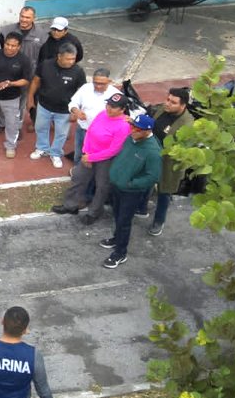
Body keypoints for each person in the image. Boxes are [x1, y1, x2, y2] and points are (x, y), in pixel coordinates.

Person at [51, 92, 132, 224]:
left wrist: (91, 157)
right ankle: (70, 205)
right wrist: (85, 153)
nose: (109, 108)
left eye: (114, 107)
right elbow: (90, 132)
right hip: (89, 154)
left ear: (122, 109)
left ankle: (94, 212)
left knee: (102, 186)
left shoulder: (123, 126)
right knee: (78, 178)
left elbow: (114, 150)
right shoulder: (102, 114)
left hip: (106, 160)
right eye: (109, 104)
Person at [101, 114, 163, 268]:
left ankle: (120, 254)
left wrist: (131, 183)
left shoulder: (153, 151)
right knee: (117, 215)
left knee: (124, 221)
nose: (133, 130)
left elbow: (152, 176)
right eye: (132, 126)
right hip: (117, 186)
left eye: (137, 129)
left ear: (147, 131)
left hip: (131, 192)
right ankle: (116, 239)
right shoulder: (131, 138)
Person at [142, 87, 195, 236]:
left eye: (173, 102)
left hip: (169, 163)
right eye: (168, 99)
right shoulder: (162, 109)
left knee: (164, 191)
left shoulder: (188, 124)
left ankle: (159, 220)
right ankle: (141, 208)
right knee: (145, 182)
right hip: (152, 156)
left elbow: (183, 149)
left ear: (182, 106)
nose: (167, 103)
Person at [27, 43, 86, 169]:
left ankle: (55, 153)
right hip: (44, 105)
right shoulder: (45, 65)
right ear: (59, 56)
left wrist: (76, 111)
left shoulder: (78, 71)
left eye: (73, 59)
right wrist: (30, 98)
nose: (71, 62)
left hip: (64, 110)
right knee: (40, 127)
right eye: (68, 59)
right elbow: (36, 81)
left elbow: (82, 92)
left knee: (61, 133)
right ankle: (42, 148)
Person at [65, 68, 121, 163]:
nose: (98, 86)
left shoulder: (116, 95)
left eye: (102, 84)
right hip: (82, 128)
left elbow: (118, 116)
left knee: (93, 158)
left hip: (100, 134)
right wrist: (76, 111)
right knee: (78, 153)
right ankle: (77, 170)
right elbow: (73, 103)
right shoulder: (86, 88)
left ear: (109, 81)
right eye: (96, 83)